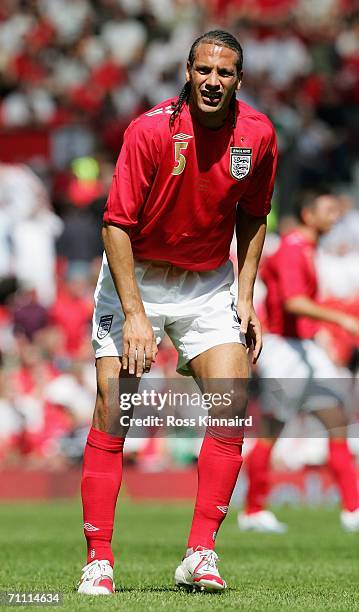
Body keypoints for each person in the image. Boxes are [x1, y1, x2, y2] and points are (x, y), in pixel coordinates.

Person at [77, 29, 277, 595]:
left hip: (208, 282)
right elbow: (115, 225)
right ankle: (99, 558)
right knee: (115, 410)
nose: (214, 81)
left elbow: (255, 214)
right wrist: (136, 316)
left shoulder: (259, 134)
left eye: (226, 72)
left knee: (232, 403)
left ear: (239, 79)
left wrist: (245, 293)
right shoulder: (149, 131)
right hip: (135, 274)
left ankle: (200, 553)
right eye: (204, 70)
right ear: (188, 73)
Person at [238, 188, 359, 534]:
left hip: (303, 348)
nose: (335, 217)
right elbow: (293, 303)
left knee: (336, 416)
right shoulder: (292, 249)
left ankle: (353, 508)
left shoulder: (305, 248)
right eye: (329, 209)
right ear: (309, 214)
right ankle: (253, 510)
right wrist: (340, 319)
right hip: (284, 350)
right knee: (272, 430)